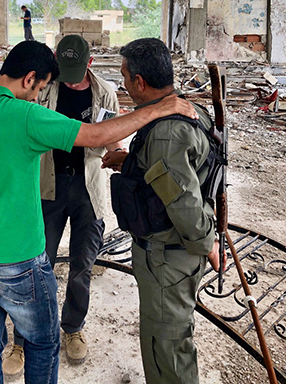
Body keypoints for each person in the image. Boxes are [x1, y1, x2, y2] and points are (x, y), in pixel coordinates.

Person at [0, 40, 198, 384]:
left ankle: (70, 329)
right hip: (16, 255)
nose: (38, 95)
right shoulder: (25, 115)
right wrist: (158, 109)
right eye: (42, 86)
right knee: (43, 342)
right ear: (30, 78)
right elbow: (95, 135)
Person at [101, 38, 226, 384]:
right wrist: (125, 161)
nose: (124, 85)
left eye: (125, 77)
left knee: (166, 346)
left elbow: (182, 202)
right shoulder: (186, 108)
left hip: (167, 261)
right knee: (167, 339)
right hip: (171, 257)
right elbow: (177, 172)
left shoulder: (165, 133)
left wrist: (209, 245)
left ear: (140, 82)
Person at [3, 35, 122, 376]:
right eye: (63, 70)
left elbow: (111, 137)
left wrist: (118, 150)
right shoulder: (44, 89)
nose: (69, 78)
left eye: (76, 70)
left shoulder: (105, 93)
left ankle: (72, 328)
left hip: (87, 187)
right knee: (38, 264)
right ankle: (23, 340)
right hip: (49, 186)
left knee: (83, 266)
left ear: (91, 62)